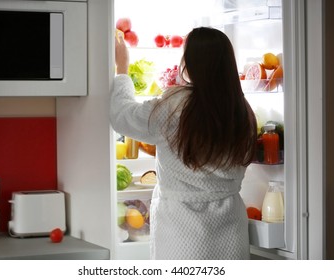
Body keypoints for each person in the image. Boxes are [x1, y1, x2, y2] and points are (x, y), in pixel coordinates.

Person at [110, 27, 257, 260]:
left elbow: (122, 116)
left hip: (183, 229)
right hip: (231, 225)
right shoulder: (242, 109)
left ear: (190, 63)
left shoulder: (176, 106)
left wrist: (122, 68)